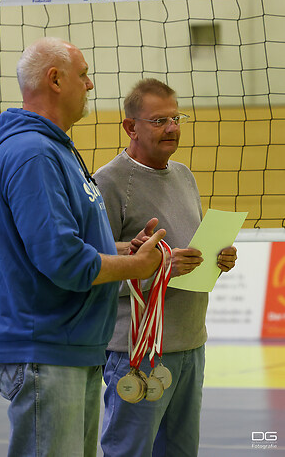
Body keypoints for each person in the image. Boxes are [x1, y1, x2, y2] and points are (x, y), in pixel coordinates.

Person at [0, 40, 166, 457]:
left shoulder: (55, 149)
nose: (91, 83)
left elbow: (68, 242)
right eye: (83, 74)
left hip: (69, 346)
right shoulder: (33, 153)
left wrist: (122, 249)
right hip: (44, 348)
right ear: (55, 79)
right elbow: (62, 260)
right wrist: (135, 265)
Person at [94, 78, 237, 457]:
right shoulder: (107, 183)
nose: (173, 128)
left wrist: (218, 259)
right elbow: (92, 272)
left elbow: (187, 252)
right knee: (131, 451)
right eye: (159, 120)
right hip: (137, 351)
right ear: (131, 127)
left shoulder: (184, 175)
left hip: (191, 343)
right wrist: (159, 269)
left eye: (176, 118)